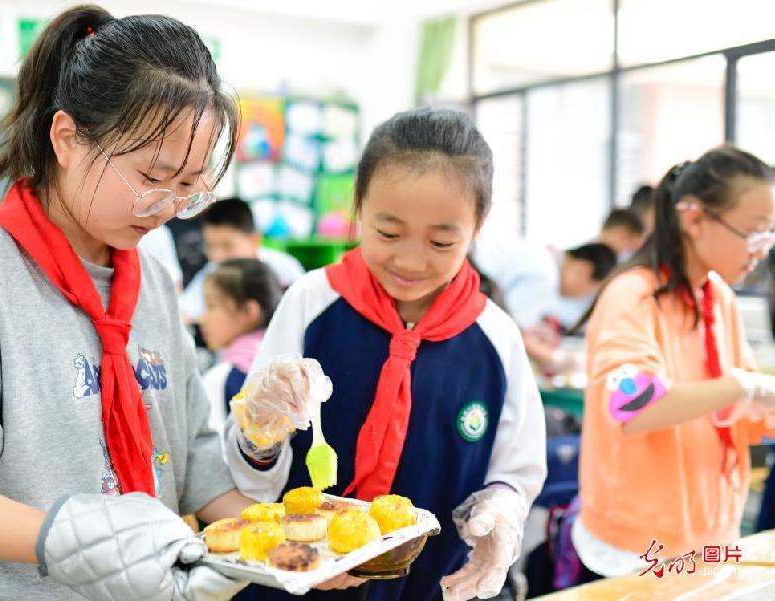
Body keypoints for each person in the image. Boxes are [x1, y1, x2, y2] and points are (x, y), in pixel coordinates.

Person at [0, 6, 277, 600]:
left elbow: (190, 456)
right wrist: (65, 536)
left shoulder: (153, 285)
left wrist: (294, 541)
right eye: (153, 176)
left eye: (189, 188)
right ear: (67, 139)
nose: (167, 206)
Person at [224, 108, 547, 601]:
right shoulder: (312, 302)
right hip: (303, 581)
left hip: (433, 585)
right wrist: (260, 430)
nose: (411, 261)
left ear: (477, 225)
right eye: (389, 233)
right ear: (359, 207)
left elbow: (516, 469)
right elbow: (253, 464)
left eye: (442, 241)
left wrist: (502, 509)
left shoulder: (496, 336)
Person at [573, 146, 775, 581]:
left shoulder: (719, 297)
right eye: (754, 233)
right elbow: (633, 405)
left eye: (770, 236)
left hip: (710, 532)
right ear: (695, 219)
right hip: (639, 546)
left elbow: (740, 409)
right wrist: (745, 387)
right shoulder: (633, 297)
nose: (761, 250)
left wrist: (761, 402)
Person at [473, 240, 617, 372]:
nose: (581, 296)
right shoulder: (547, 278)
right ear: (584, 270)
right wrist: (558, 359)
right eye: (590, 290)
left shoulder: (544, 258)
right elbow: (513, 334)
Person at [180, 197, 304, 323]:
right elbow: (185, 310)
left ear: (254, 240)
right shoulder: (212, 272)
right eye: (210, 245)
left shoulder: (285, 269)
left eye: (227, 246)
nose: (217, 256)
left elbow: (302, 310)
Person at [200, 258, 282, 432]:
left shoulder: (223, 378)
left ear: (248, 311)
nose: (203, 319)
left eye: (211, 306)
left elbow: (213, 449)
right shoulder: (289, 365)